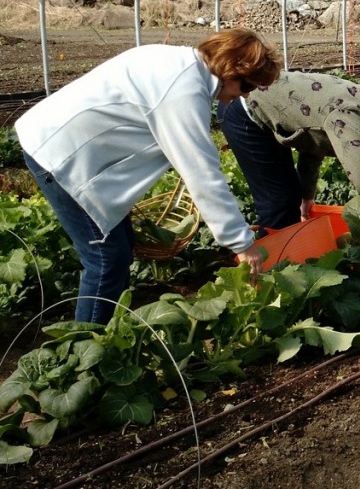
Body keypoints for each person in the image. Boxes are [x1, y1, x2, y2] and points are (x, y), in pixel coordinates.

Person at [15, 28, 282, 325]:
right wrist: (242, 245)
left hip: (64, 145)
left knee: (119, 249)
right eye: (245, 86)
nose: (241, 96)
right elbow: (203, 174)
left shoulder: (177, 63)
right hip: (58, 155)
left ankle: (107, 333)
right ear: (230, 69)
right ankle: (83, 351)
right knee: (107, 261)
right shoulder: (183, 89)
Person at [218, 73, 360, 256]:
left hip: (260, 110)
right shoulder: (350, 114)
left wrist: (306, 197)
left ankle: (285, 260)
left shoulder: (356, 100)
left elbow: (313, 145)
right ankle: (267, 272)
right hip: (244, 111)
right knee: (277, 201)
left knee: (289, 198)